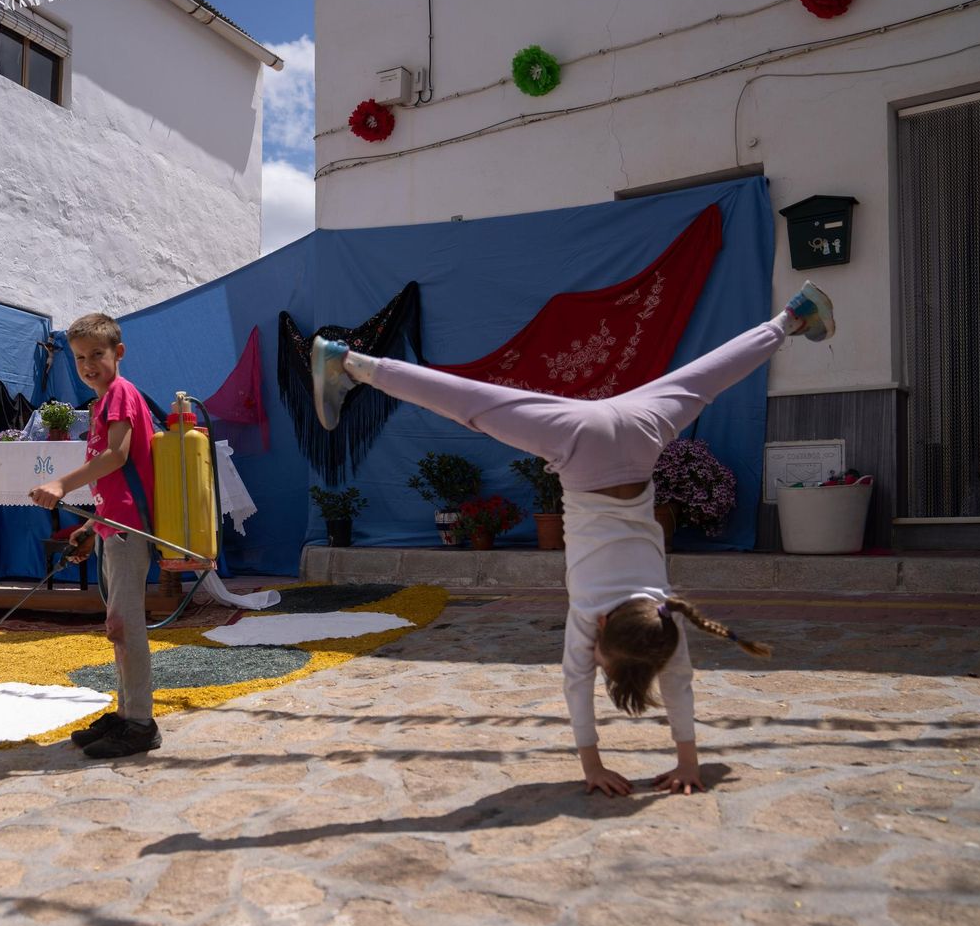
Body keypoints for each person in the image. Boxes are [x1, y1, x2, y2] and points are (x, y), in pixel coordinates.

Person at [312, 281, 837, 796]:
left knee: (708, 378)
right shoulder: (590, 615)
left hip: (641, 430)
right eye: (602, 657)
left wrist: (688, 762)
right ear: (605, 626)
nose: (594, 663)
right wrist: (592, 766)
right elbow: (576, 688)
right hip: (580, 447)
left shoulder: (665, 620)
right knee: (471, 404)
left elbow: (676, 686)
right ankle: (347, 362)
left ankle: (792, 315)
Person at [30, 313, 160, 759]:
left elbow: (117, 456)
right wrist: (90, 526)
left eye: (97, 355)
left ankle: (141, 722)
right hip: (112, 527)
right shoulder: (103, 402)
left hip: (129, 529)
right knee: (117, 626)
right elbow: (117, 482)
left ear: (118, 353)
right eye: (80, 358)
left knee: (127, 626)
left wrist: (62, 485)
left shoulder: (120, 394)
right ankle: (126, 715)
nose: (88, 365)